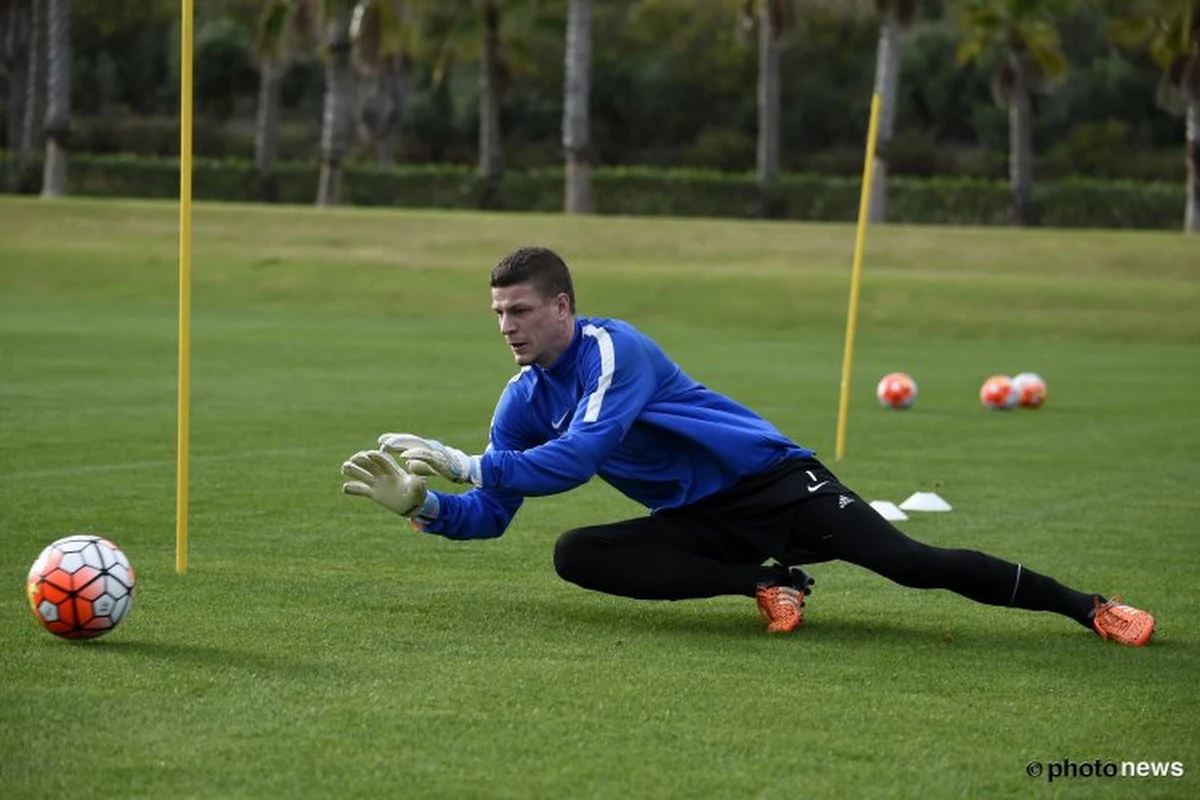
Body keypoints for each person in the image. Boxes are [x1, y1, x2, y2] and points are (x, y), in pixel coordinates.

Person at [340, 246, 1155, 646]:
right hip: (702, 517)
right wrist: (428, 505)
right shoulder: (521, 402)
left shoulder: (617, 350)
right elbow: (495, 510)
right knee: (576, 553)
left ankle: (1088, 608)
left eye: (520, 311)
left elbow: (582, 455)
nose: (507, 328)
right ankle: (770, 583)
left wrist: (471, 461)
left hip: (776, 483)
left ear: (563, 305)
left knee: (913, 564)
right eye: (497, 315)